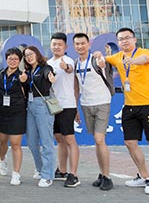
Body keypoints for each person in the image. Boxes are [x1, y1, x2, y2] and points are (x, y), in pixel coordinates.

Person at [94, 27, 149, 195]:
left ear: (134, 39)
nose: (124, 41)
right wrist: (99, 56)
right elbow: (103, 60)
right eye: (121, 39)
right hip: (129, 106)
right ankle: (144, 176)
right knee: (130, 143)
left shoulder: (145, 53)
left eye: (127, 38)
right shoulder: (117, 57)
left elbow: (144, 59)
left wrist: (133, 61)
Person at [72, 33, 113, 191]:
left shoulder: (96, 59)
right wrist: (76, 107)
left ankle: (107, 177)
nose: (80, 46)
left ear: (88, 44)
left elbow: (103, 64)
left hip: (102, 102)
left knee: (99, 138)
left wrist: (102, 58)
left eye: (83, 43)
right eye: (77, 44)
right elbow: (77, 87)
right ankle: (102, 174)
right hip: (86, 104)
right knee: (97, 141)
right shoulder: (76, 63)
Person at [47, 32, 79, 187]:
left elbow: (70, 69)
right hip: (53, 105)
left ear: (65, 47)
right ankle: (62, 170)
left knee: (69, 140)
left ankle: (74, 174)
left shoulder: (68, 60)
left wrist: (65, 67)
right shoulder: (47, 63)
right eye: (54, 44)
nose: (56, 47)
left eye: (59, 44)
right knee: (59, 139)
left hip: (67, 106)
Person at [0, 48, 28, 186]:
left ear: (19, 61)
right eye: (10, 58)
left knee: (15, 143)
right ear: (6, 59)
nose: (12, 61)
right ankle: (2, 160)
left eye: (16, 59)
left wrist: (24, 82)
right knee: (3, 140)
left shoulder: (23, 75)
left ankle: (16, 174)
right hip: (2, 112)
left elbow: (28, 91)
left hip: (18, 112)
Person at [24, 45, 56, 188]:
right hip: (30, 106)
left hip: (42, 105)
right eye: (26, 55)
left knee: (46, 141)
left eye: (31, 54)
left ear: (37, 54)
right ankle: (41, 168)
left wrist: (51, 77)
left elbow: (49, 73)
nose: (29, 57)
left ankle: (48, 175)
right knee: (32, 142)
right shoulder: (27, 71)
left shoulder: (45, 68)